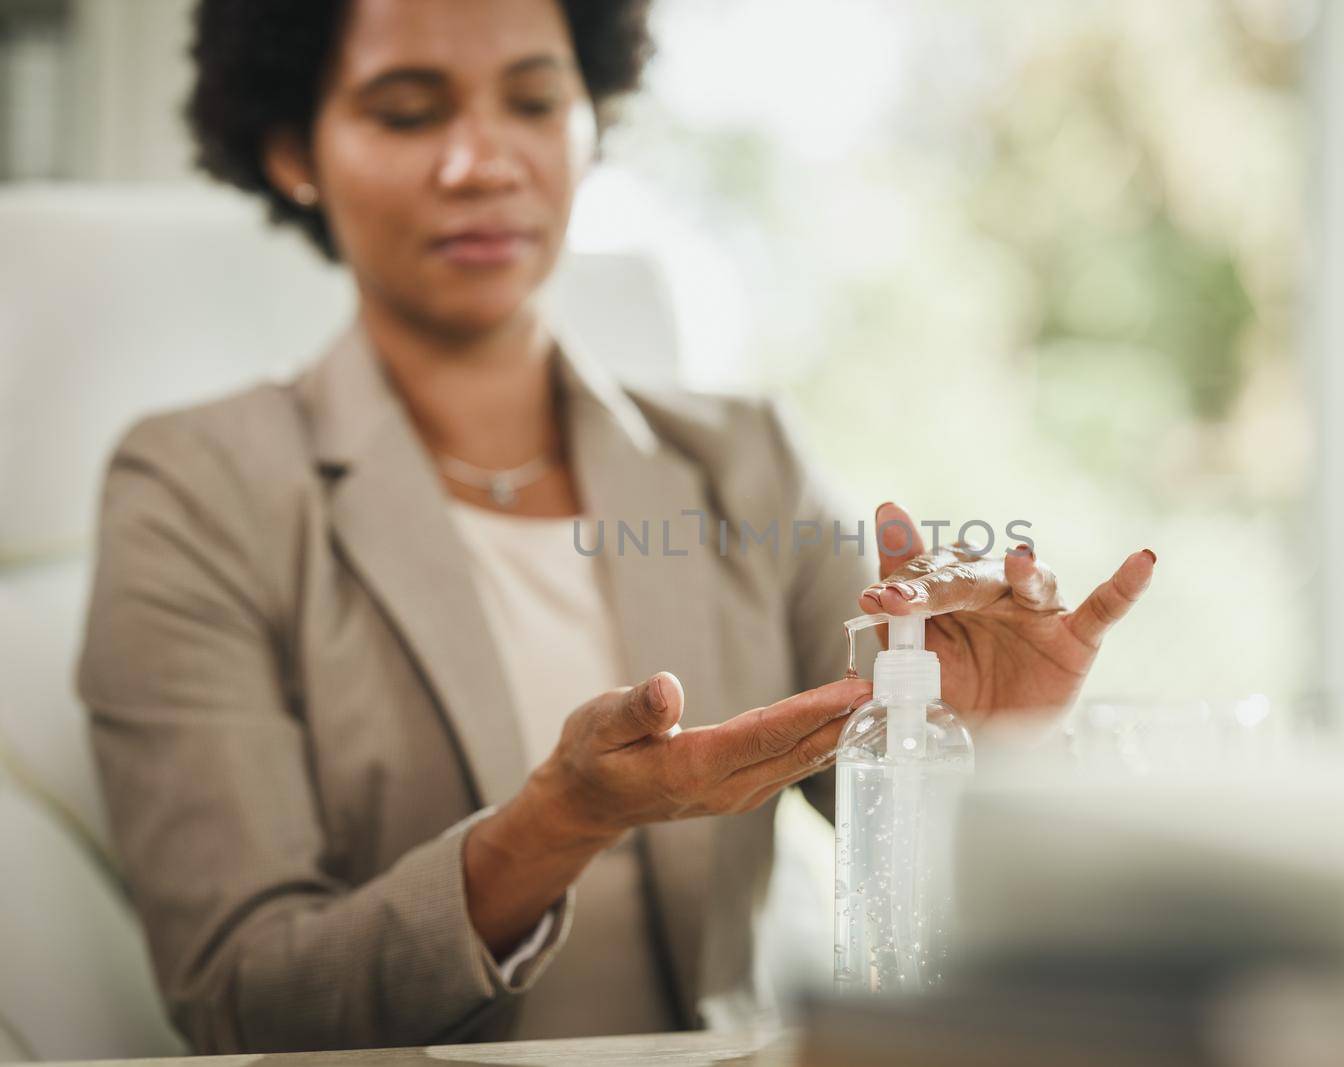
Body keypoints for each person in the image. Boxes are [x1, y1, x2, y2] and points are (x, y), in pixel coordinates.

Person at [76, 0, 1156, 1053]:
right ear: (289, 149)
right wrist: (555, 822)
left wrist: (985, 741)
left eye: (536, 101)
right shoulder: (196, 487)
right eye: (409, 112)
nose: (482, 161)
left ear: (591, 119)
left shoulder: (743, 460)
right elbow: (242, 993)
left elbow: (940, 867)